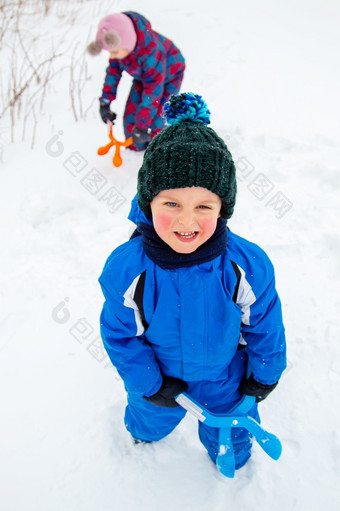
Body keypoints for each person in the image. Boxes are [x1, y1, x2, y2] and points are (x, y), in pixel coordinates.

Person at [99, 93, 286, 471]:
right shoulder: (128, 270)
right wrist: (150, 384)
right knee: (150, 417)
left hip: (224, 373)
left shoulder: (245, 265)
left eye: (204, 206)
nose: (187, 222)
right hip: (161, 374)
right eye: (171, 204)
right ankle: (142, 435)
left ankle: (235, 460)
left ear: (223, 208)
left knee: (231, 426)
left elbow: (265, 321)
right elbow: (120, 334)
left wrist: (265, 372)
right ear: (148, 202)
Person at [87, 12, 185, 151]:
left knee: (156, 121)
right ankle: (136, 149)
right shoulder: (121, 53)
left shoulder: (152, 51)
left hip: (169, 77)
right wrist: (105, 103)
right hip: (144, 78)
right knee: (131, 123)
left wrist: (143, 126)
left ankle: (159, 150)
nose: (112, 56)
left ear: (126, 43)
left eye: (114, 52)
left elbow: (152, 94)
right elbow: (112, 75)